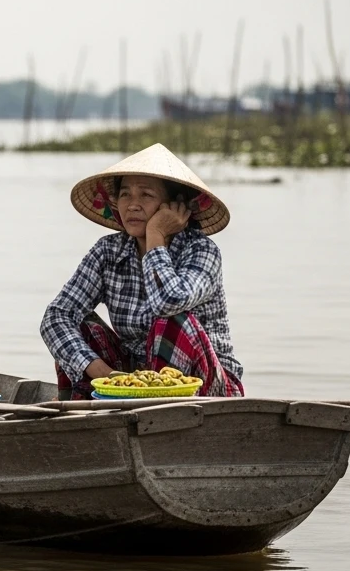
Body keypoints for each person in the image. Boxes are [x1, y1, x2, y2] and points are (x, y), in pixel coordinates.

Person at [40, 143, 244, 400]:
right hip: (136, 379)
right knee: (77, 325)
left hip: (206, 388)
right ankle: (87, 415)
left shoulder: (201, 251)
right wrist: (101, 372)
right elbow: (56, 316)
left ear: (175, 207)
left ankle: (158, 416)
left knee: (171, 320)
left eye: (146, 195)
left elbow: (169, 302)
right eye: (125, 194)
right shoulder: (108, 251)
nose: (132, 205)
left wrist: (156, 235)